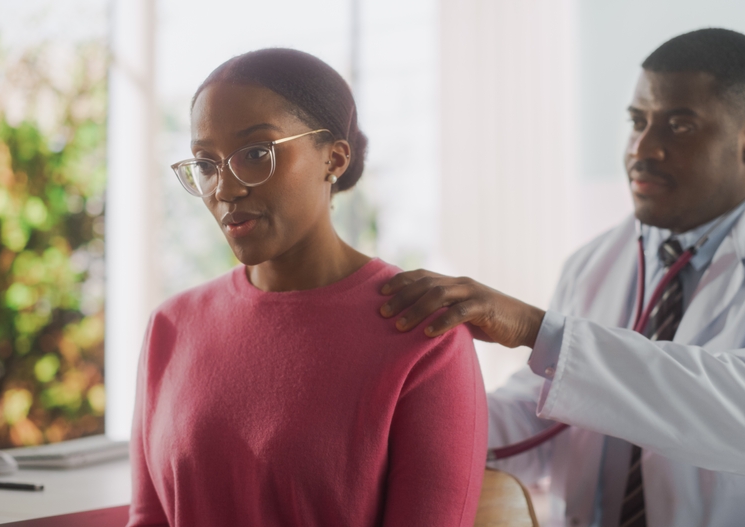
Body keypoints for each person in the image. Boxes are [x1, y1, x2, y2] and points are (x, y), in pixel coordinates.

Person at [379, 28, 745, 527]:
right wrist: (400, 419)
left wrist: (537, 330)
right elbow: (542, 416)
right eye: (638, 121)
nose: (644, 148)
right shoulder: (595, 262)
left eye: (679, 126)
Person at [127, 48, 487, 527]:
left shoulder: (423, 332)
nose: (226, 190)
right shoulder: (172, 326)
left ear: (333, 158)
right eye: (207, 164)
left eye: (256, 154)